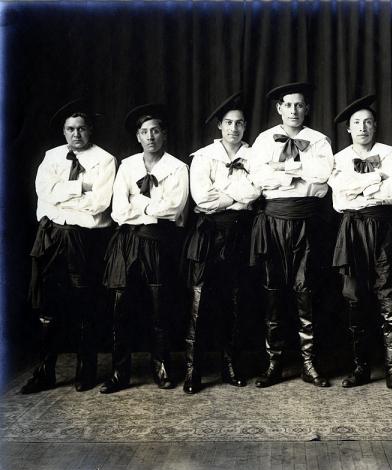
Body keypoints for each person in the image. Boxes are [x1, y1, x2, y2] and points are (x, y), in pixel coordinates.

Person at [22, 98, 116, 394]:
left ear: (91, 131)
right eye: (70, 129)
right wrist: (81, 188)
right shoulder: (51, 157)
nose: (76, 134)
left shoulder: (104, 160)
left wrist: (63, 197)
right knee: (48, 305)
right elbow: (43, 193)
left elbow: (99, 204)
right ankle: (45, 371)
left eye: (82, 129)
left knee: (84, 304)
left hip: (83, 240)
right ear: (64, 131)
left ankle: (85, 369)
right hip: (50, 237)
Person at [328, 94, 392, 394]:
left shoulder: (391, 153)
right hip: (352, 229)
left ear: (375, 126)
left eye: (367, 122)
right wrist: (375, 179)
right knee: (355, 298)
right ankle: (361, 367)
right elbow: (339, 197)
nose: (362, 127)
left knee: (388, 296)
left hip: (384, 229)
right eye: (356, 123)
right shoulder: (339, 158)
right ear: (349, 129)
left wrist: (360, 188)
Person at [248, 81, 333, 388]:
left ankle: (309, 363)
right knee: (273, 292)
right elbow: (259, 178)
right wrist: (299, 172)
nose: (294, 110)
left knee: (306, 290)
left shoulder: (319, 140)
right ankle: (275, 362)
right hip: (273, 221)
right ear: (279, 108)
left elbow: (323, 176)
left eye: (300, 105)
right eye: (289, 105)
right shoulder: (263, 140)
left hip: (308, 221)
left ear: (306, 109)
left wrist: (281, 171)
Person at [100, 104, 189, 394]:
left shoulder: (177, 168)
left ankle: (161, 368)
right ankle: (119, 373)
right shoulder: (127, 166)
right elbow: (118, 211)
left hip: (160, 243)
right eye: (144, 132)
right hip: (127, 242)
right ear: (138, 137)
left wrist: (140, 203)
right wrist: (150, 209)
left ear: (164, 135)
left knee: (160, 308)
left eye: (155, 131)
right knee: (120, 309)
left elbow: (173, 209)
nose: (150, 136)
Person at [181, 92, 261, 394]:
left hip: (241, 232)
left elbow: (258, 190)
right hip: (207, 233)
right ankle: (194, 369)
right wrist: (237, 194)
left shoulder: (255, 156)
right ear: (220, 127)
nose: (234, 129)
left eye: (240, 123)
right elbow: (202, 198)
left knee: (237, 301)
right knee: (200, 303)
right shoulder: (203, 157)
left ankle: (231, 365)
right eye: (228, 123)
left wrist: (224, 196)